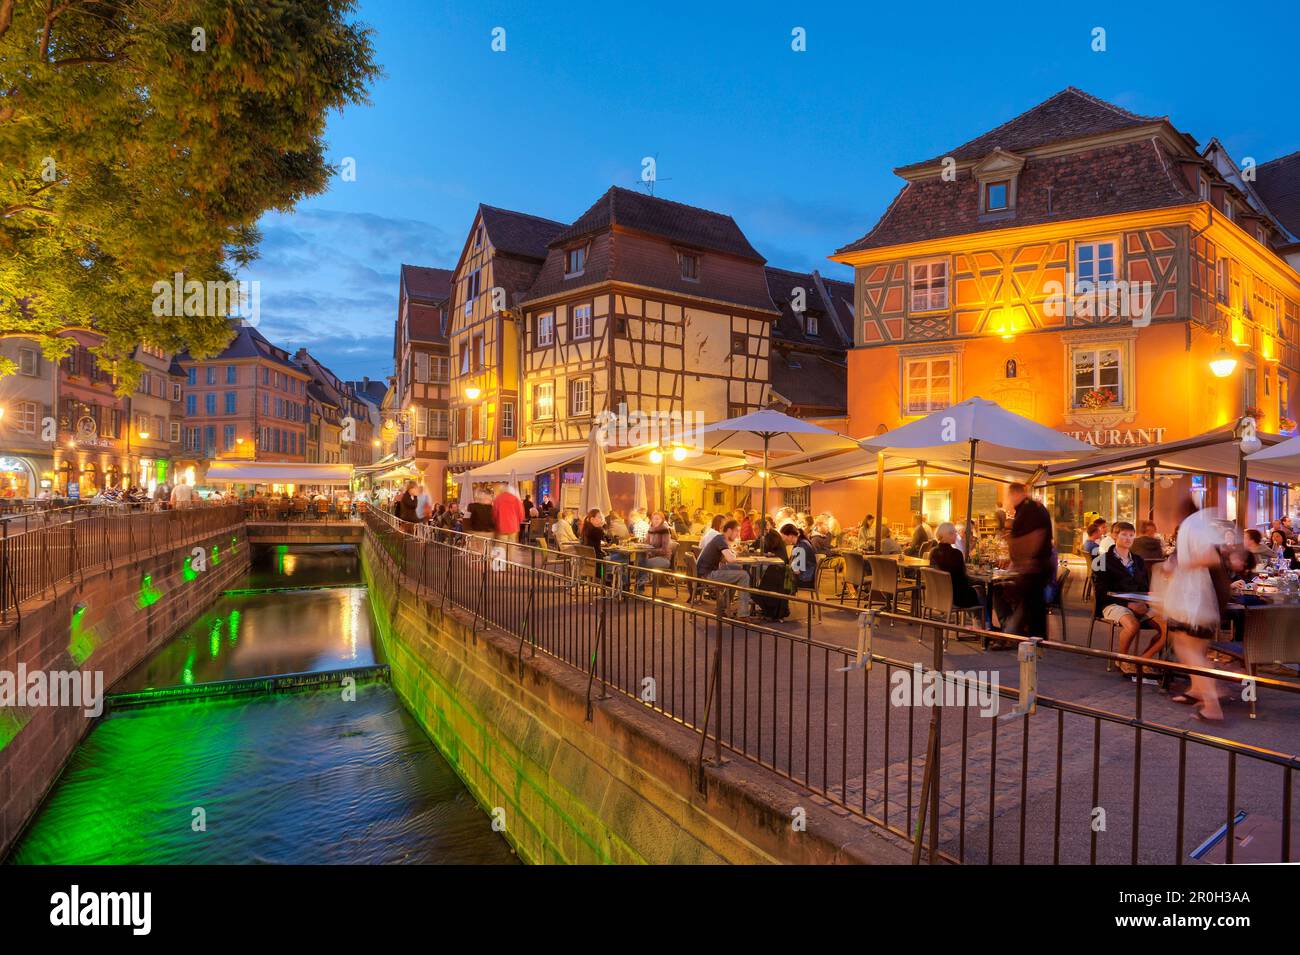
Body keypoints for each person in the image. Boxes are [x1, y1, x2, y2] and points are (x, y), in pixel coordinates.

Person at [1157, 497, 1228, 721]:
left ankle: (1212, 704)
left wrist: (1180, 566)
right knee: (1189, 647)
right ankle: (1199, 690)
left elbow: (1210, 557)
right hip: (1201, 598)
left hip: (1195, 599)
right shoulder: (1201, 523)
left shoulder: (1193, 525)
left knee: (1189, 649)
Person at [1096, 521, 1167, 676]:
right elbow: (1101, 594)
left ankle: (1145, 660)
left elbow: (1145, 588)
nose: (1128, 539)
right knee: (1132, 625)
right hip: (1113, 603)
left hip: (1139, 603)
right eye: (1124, 535)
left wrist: (1147, 602)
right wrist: (1128, 604)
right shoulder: (1101, 560)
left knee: (1168, 628)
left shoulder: (1138, 560)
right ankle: (1122, 659)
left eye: (1131, 535)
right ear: (1114, 536)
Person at [1005, 482, 1053, 640]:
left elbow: (1036, 536)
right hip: (1033, 565)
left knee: (1030, 603)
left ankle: (1017, 636)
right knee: (1028, 603)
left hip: (1033, 567)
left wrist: (1025, 560)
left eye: (1009, 495)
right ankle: (1019, 635)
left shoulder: (1030, 509)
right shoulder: (1030, 508)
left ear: (1015, 494)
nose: (1008, 499)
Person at [695, 519, 752, 618]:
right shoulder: (720, 539)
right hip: (708, 574)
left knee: (737, 570)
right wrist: (735, 554)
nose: (738, 535)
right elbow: (730, 559)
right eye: (737, 531)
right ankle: (743, 614)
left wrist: (733, 552)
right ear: (729, 531)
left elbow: (724, 559)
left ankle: (721, 608)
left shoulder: (720, 538)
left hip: (706, 571)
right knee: (744, 576)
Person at [928, 522, 981, 611]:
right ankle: (984, 622)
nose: (956, 535)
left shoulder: (933, 552)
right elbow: (963, 577)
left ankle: (977, 622)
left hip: (938, 594)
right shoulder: (956, 554)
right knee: (981, 591)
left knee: (975, 590)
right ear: (947, 535)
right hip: (957, 597)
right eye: (953, 533)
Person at [636, 510, 675, 593]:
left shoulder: (665, 530)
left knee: (642, 563)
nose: (656, 521)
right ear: (651, 520)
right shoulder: (651, 529)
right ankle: (639, 585)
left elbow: (664, 550)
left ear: (662, 520)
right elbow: (646, 543)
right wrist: (641, 545)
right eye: (654, 519)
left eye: (658, 519)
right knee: (640, 560)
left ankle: (640, 586)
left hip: (664, 559)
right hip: (653, 557)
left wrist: (651, 551)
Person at [492, 483, 526, 561]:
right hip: (513, 527)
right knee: (511, 548)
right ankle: (510, 565)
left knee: (501, 547)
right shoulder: (515, 499)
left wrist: (495, 523)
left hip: (501, 527)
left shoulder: (498, 499)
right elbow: (521, 514)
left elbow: (494, 514)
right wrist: (518, 522)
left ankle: (502, 565)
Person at [781, 523, 817, 591]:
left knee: (777, 578)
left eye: (783, 537)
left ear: (791, 536)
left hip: (805, 579)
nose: (783, 539)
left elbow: (796, 570)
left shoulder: (802, 545)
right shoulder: (800, 543)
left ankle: (781, 600)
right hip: (805, 576)